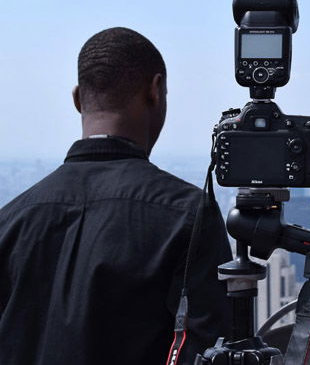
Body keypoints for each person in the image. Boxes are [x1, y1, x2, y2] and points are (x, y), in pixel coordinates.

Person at [0, 27, 233, 365]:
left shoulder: (10, 220)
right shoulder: (188, 215)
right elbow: (210, 350)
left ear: (78, 98)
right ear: (155, 92)